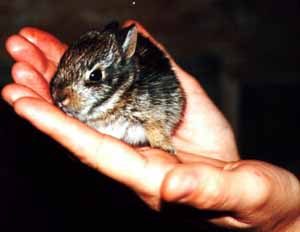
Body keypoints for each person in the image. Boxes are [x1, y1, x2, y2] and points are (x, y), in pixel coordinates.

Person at [2, 20, 299, 232]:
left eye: (93, 78)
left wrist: (162, 143)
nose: (62, 95)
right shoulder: (69, 92)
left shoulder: (138, 93)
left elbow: (157, 113)